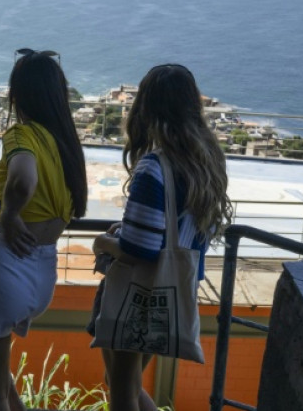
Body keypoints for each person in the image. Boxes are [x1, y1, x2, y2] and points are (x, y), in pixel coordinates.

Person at [89, 64, 232, 411]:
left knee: (122, 390)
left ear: (147, 109)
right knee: (125, 382)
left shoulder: (155, 167)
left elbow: (139, 250)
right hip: (172, 293)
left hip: (139, 293)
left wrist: (102, 243)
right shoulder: (207, 161)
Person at [0, 49, 88, 411]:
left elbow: (21, 180)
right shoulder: (66, 144)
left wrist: (10, 214)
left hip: (4, 264)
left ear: (19, 95)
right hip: (41, 271)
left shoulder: (22, 135)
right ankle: (17, 404)